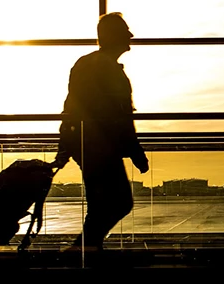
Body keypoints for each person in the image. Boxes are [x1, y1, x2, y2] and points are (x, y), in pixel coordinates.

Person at [52, 12, 149, 253]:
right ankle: (84, 248)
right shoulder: (106, 68)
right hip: (100, 146)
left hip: (88, 144)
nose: (131, 35)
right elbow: (120, 117)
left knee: (102, 203)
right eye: (125, 31)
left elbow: (72, 107)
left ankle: (87, 248)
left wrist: (65, 145)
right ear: (113, 36)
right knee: (119, 202)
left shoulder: (88, 64)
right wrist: (136, 152)